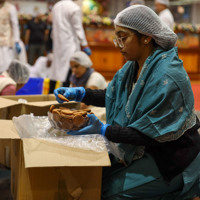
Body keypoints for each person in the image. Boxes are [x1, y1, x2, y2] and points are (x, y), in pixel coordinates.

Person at [53, 5, 200, 200]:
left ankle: (174, 191)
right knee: (95, 177)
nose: (118, 44)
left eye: (123, 37)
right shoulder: (133, 66)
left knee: (107, 191)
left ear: (146, 37)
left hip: (172, 157)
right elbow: (115, 96)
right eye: (117, 38)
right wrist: (81, 94)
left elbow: (152, 134)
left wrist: (105, 130)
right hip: (147, 148)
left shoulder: (168, 76)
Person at [48, 0, 91, 94]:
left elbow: (53, 28)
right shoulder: (74, 8)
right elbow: (78, 28)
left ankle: (50, 95)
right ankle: (64, 95)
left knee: (56, 71)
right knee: (69, 70)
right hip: (69, 43)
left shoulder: (56, 6)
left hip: (58, 43)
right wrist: (84, 44)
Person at [0, 0, 21, 73]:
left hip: (7, 43)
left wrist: (16, 41)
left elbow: (15, 25)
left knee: (6, 68)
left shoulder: (11, 8)